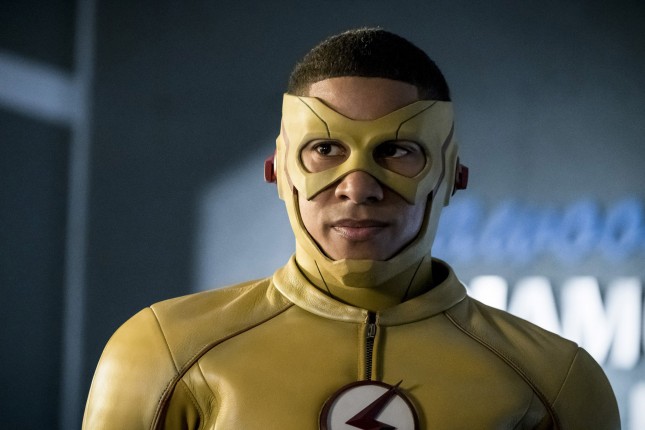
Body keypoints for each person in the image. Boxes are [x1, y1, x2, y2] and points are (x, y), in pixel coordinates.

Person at [83, 28, 620, 429]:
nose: (358, 187)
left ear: (452, 174)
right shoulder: (164, 353)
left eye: (397, 151)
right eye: (325, 148)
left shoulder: (556, 382)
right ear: (279, 170)